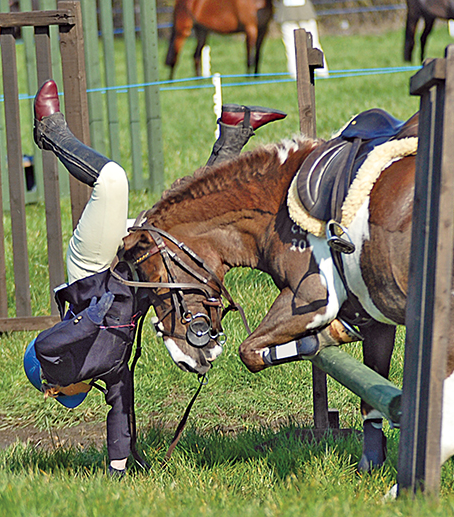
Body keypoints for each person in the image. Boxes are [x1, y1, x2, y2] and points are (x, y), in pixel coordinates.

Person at [23, 79, 286, 477]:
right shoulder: (107, 373)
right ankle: (234, 132)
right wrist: (118, 467)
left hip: (93, 270)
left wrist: (98, 315)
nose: (74, 397)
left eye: (62, 396)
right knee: (183, 222)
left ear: (51, 388)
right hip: (130, 275)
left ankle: (51, 130)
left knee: (112, 183)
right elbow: (120, 412)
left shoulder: (54, 365)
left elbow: (47, 344)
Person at [274, 0, 329, 79]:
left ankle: (295, 74)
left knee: (291, 46)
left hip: (286, 13)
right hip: (305, 11)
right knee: (313, 43)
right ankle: (322, 72)